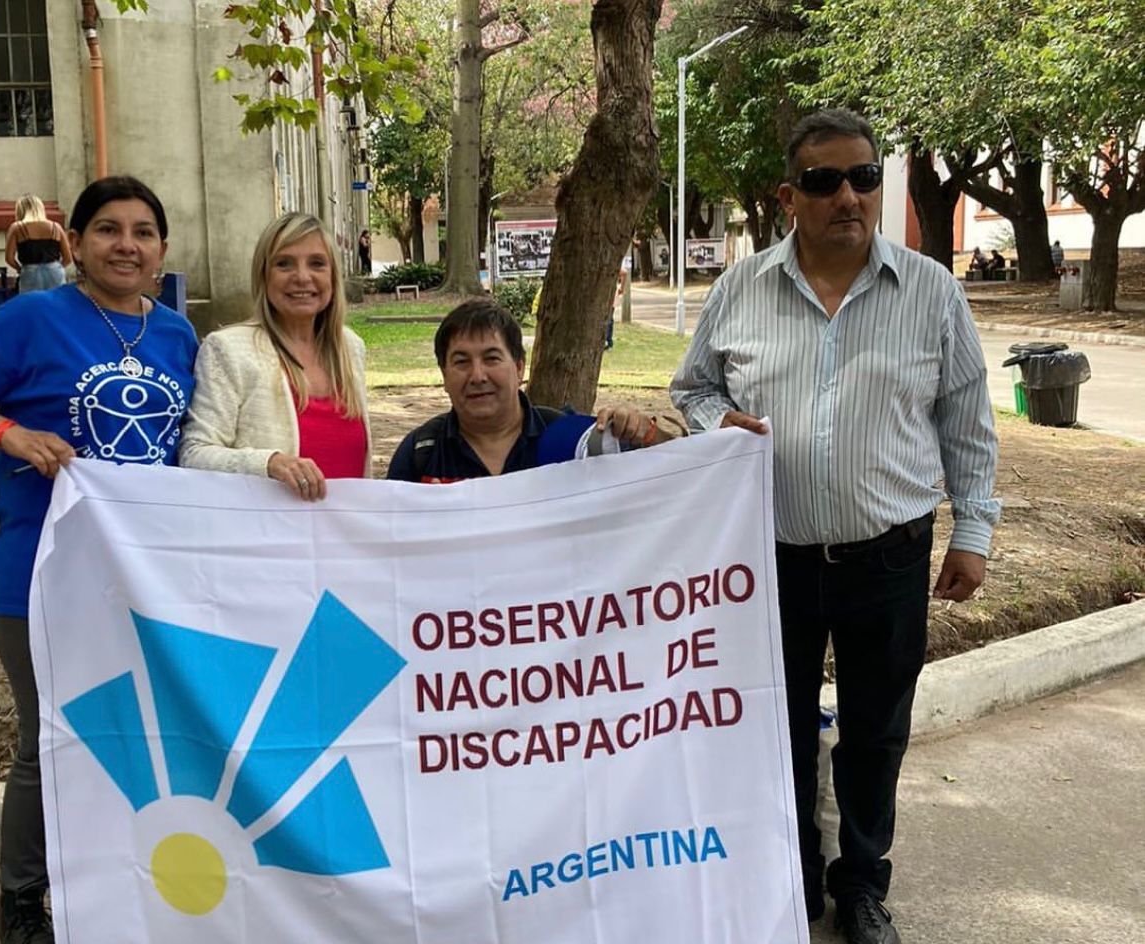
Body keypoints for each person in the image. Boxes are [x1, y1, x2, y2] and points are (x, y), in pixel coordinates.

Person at [671, 108, 999, 944]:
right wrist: (715, 423)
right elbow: (693, 388)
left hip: (889, 557)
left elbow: (967, 422)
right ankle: (789, 876)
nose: (847, 196)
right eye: (824, 181)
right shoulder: (740, 289)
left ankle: (861, 884)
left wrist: (973, 532)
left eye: (863, 177)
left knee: (875, 734)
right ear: (790, 197)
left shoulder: (930, 291)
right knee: (772, 727)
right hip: (767, 559)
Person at [0, 176, 197, 944]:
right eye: (108, 229)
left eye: (142, 232)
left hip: (141, 580)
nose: (126, 245)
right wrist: (9, 433)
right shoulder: (36, 317)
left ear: (162, 249)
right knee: (50, 740)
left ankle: (112, 882)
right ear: (74, 243)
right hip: (41, 575)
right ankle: (21, 902)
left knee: (134, 736)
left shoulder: (177, 335)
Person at [180, 212, 370, 499]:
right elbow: (194, 454)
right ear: (263, 275)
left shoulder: (350, 348)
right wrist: (268, 463)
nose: (302, 277)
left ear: (333, 276)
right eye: (284, 264)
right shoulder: (228, 350)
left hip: (345, 525)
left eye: (317, 263)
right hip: (267, 525)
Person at [387, 298, 665, 483]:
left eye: (491, 358)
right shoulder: (420, 453)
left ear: (519, 367)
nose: (477, 376)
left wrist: (646, 433)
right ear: (444, 375)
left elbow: (676, 473)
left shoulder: (568, 439)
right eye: (461, 362)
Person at [5, 194, 73, 293]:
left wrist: (19, 269)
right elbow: (68, 258)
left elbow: (9, 258)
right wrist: (57, 267)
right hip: (54, 271)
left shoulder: (17, 228)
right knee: (56, 301)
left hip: (30, 272)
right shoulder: (56, 227)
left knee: (31, 302)